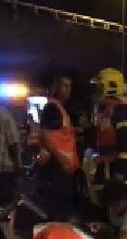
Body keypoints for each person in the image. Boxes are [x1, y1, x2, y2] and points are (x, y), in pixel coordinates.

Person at [86, 68, 127, 206]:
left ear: (111, 87)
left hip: (116, 177)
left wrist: (119, 176)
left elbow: (126, 143)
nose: (97, 90)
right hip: (105, 173)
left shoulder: (121, 110)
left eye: (100, 86)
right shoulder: (105, 110)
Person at [38, 74, 80, 219]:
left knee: (62, 209)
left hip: (61, 167)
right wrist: (62, 159)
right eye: (64, 86)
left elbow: (60, 134)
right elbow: (45, 134)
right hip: (56, 167)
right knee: (58, 211)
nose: (68, 90)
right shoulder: (53, 107)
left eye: (69, 86)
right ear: (56, 87)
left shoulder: (59, 108)